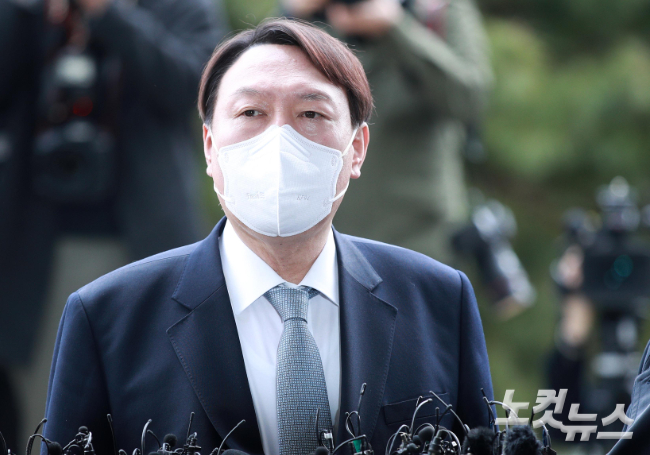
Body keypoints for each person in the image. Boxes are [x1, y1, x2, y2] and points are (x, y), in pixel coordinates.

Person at [43, 19, 493, 455]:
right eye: (251, 112)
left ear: (356, 148)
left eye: (311, 113)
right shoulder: (108, 318)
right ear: (210, 146)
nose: (280, 139)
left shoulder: (438, 300)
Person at [0, 0, 223, 451]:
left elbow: (193, 89)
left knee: (159, 414)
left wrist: (107, 13)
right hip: (35, 255)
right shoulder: (31, 11)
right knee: (52, 419)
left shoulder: (178, 6)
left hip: (144, 244)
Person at [283, 0, 493, 266]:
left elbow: (469, 99)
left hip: (418, 240)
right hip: (322, 240)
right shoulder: (314, 16)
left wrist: (395, 28)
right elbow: (254, 98)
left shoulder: (435, 10)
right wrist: (291, 16)